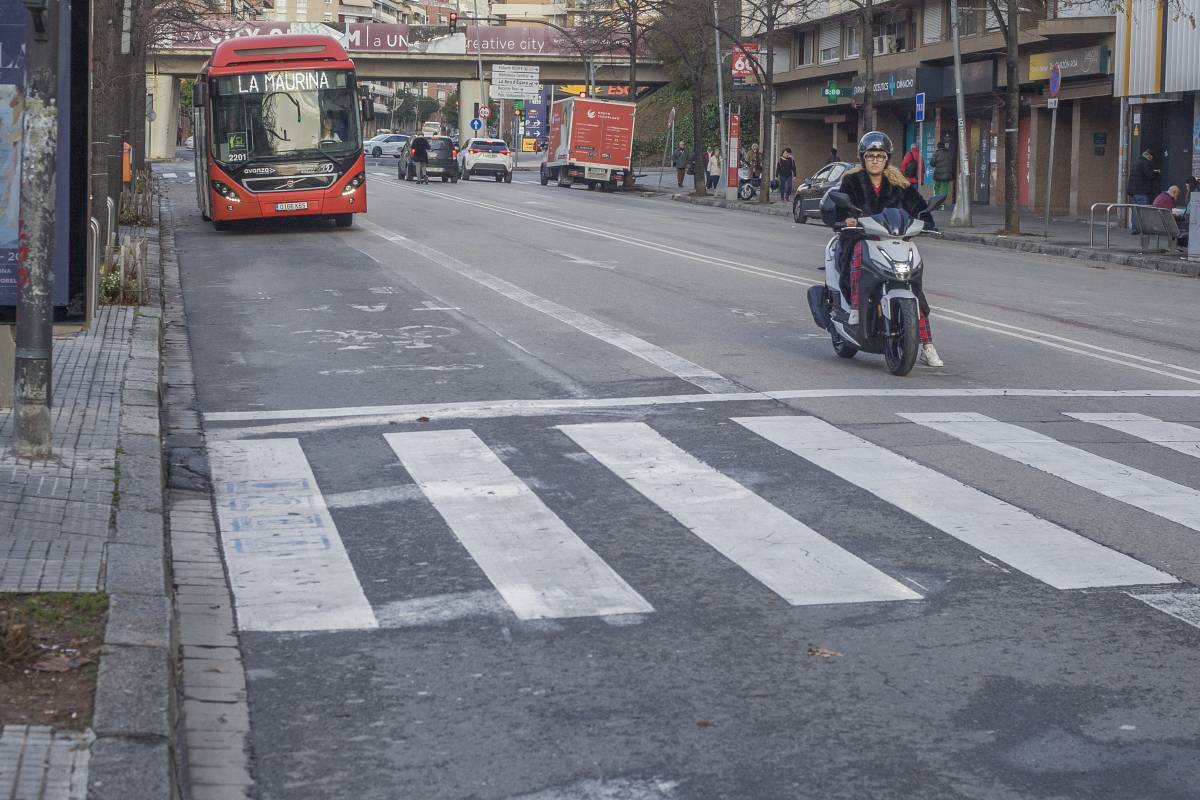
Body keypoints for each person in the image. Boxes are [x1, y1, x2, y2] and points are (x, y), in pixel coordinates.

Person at [829, 131, 943, 367]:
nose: (875, 160)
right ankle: (854, 308)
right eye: (870, 156)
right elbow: (841, 205)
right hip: (861, 238)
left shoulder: (898, 182)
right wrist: (847, 219)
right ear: (863, 157)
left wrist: (926, 219)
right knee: (857, 252)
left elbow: (918, 207)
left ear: (887, 158)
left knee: (914, 287)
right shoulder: (852, 180)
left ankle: (927, 344)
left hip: (895, 241)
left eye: (880, 156)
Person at [1127, 148, 1159, 233]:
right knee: (1144, 210)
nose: (1151, 159)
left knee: (1135, 211)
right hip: (1141, 191)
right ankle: (1143, 229)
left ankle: (1135, 228)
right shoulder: (1145, 163)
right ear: (1148, 156)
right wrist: (1156, 172)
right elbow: (1150, 175)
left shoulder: (1136, 162)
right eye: (1151, 157)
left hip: (1132, 191)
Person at [930, 141, 955, 206]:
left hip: (938, 175)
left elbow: (932, 163)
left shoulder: (936, 153)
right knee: (944, 189)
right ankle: (942, 203)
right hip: (947, 175)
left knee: (936, 188)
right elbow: (952, 163)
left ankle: (936, 203)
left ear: (938, 147)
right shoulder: (949, 153)